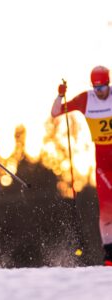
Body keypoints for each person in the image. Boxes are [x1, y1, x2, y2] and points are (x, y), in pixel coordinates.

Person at [51, 65, 112, 266]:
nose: (99, 92)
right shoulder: (87, 99)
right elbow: (55, 112)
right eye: (96, 88)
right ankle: (109, 255)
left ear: (108, 84)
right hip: (102, 161)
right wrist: (60, 96)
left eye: (102, 87)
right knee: (106, 208)